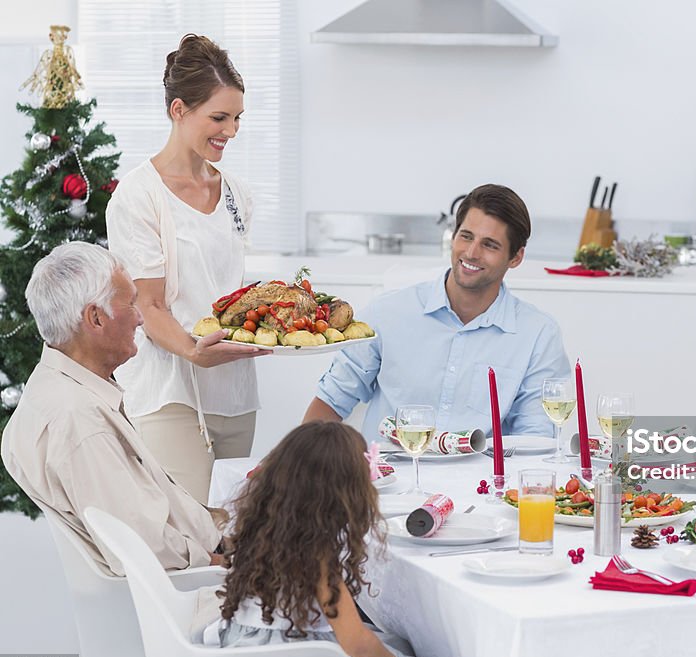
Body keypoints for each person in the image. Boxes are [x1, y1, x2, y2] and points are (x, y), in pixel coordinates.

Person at [106, 34, 270, 504]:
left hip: (234, 390)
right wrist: (194, 351)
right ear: (179, 110)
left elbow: (227, 292)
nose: (232, 130)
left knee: (231, 529)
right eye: (219, 117)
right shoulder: (139, 196)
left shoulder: (237, 193)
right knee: (191, 537)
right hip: (169, 391)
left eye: (237, 118)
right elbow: (149, 304)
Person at [0, 243, 224, 575]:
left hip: (200, 557)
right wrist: (227, 564)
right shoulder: (79, 421)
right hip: (191, 591)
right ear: (95, 317)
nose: (139, 317)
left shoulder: (56, 387)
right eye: (131, 303)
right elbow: (143, 548)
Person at [303, 184, 571, 443]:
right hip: (389, 482)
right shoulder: (386, 314)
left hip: (478, 484)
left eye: (490, 245)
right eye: (466, 236)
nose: (471, 253)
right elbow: (332, 401)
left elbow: (533, 438)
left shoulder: (537, 335)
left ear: (516, 258)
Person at [205, 421, 453, 657]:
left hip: (244, 646)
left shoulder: (263, 529)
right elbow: (355, 642)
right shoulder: (317, 554)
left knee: (395, 644)